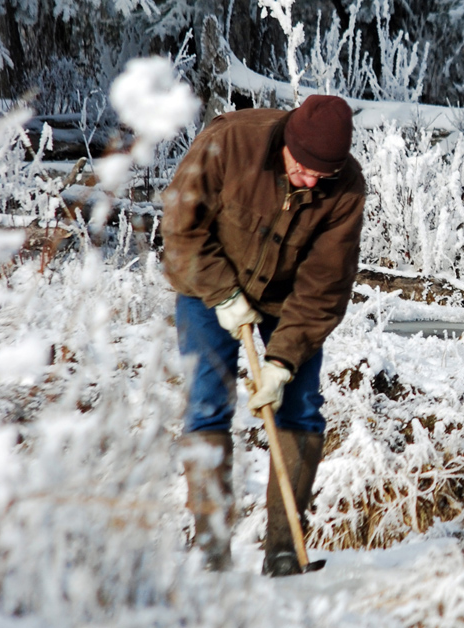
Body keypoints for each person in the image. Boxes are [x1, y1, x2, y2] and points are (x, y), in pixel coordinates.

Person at [162, 94, 365, 575]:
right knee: (207, 403)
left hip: (287, 300)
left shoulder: (347, 188)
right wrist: (225, 296)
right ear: (286, 143)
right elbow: (180, 227)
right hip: (206, 284)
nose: (312, 181)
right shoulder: (231, 142)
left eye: (323, 175)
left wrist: (282, 362)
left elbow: (324, 286)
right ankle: (211, 548)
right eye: (303, 169)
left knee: (300, 408)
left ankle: (283, 551)